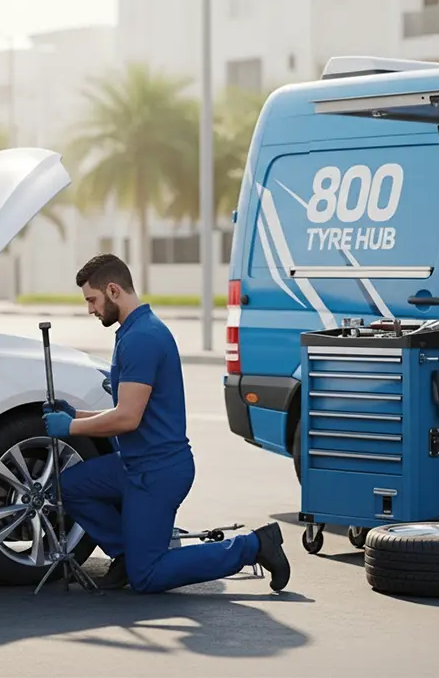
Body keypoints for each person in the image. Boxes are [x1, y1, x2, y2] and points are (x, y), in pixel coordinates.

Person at [40, 253, 290, 594]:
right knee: (68, 486)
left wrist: (69, 429)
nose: (90, 309)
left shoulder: (142, 338)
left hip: (157, 473)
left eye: (92, 300)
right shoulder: (133, 331)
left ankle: (253, 546)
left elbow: (127, 418)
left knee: (149, 577)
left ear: (113, 290)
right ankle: (129, 554)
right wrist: (74, 416)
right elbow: (131, 408)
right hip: (133, 465)